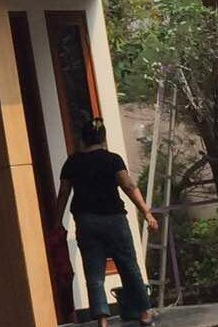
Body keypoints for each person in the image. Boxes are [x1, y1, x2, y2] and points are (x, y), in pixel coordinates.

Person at [54, 118, 159, 327]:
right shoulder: (112, 160)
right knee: (129, 265)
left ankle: (102, 320)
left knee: (94, 272)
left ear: (83, 139)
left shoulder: (72, 162)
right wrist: (146, 212)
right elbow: (128, 186)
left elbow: (64, 193)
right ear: (102, 139)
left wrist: (57, 221)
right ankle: (144, 312)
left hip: (86, 221)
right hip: (114, 219)